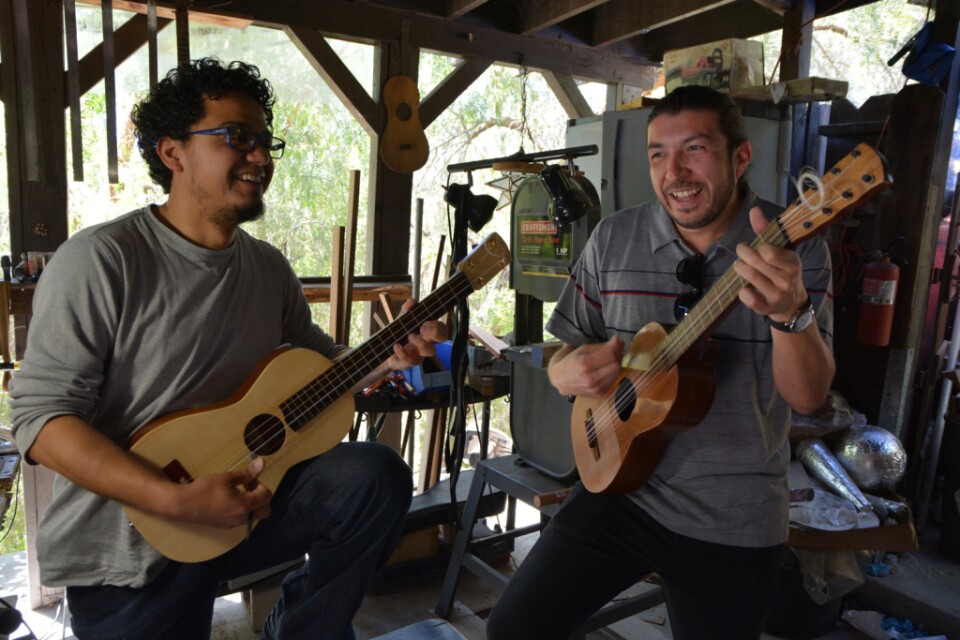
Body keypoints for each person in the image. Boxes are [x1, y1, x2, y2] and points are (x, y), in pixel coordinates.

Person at [9, 58, 445, 640]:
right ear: (173, 153)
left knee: (374, 476)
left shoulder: (266, 268)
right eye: (237, 137)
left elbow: (322, 369)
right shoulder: (102, 260)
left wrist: (386, 357)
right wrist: (176, 500)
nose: (261, 157)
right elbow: (39, 420)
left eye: (265, 141)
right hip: (128, 553)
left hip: (244, 515)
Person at [486, 85, 836, 639]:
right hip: (622, 489)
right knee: (513, 627)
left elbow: (809, 397)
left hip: (733, 513)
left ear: (739, 157)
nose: (675, 172)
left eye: (694, 150)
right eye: (658, 154)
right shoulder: (614, 237)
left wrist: (790, 315)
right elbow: (564, 347)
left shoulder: (793, 250)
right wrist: (563, 372)